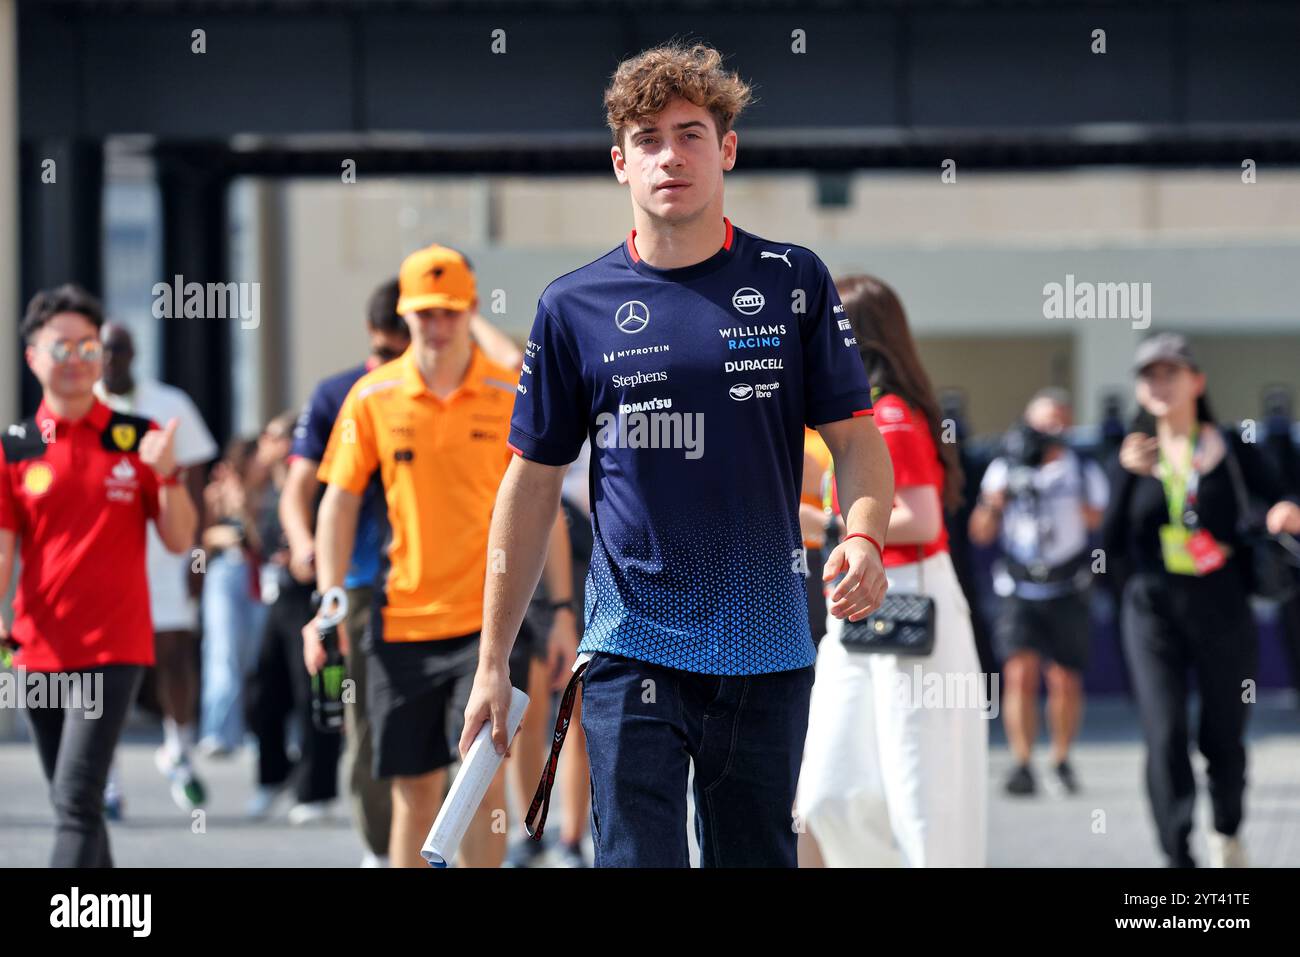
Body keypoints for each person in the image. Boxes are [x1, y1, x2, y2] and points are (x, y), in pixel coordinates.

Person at [460, 42, 893, 868]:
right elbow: (530, 484)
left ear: (726, 149)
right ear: (620, 162)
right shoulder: (571, 306)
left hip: (767, 646)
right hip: (631, 647)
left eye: (691, 133)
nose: (672, 155)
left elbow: (857, 443)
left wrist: (865, 534)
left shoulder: (793, 281)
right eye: (649, 138)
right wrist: (493, 663)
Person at [305, 243, 576, 868]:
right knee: (415, 790)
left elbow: (542, 508)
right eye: (426, 313)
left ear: (471, 310)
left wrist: (561, 608)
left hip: (493, 628)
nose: (438, 325)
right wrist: (328, 598)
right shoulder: (372, 398)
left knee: (478, 787)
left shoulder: (508, 392)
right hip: (402, 624)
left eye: (450, 311)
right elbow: (338, 502)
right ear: (406, 315)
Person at [0, 284, 197, 866]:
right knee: (77, 804)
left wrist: (167, 477)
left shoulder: (136, 435)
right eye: (62, 348)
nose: (78, 360)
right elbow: (4, 552)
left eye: (89, 347)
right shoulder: (15, 446)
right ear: (33, 356)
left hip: (114, 647)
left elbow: (180, 538)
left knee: (75, 798)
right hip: (36, 650)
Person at [796, 274, 987, 868]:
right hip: (860, 611)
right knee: (828, 794)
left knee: (921, 795)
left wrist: (827, 528)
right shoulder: (855, 417)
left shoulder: (890, 415)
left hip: (909, 605)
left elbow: (923, 519)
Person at [1103, 333, 1300, 868]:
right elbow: (1110, 546)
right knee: (1164, 732)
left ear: (1197, 381)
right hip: (1151, 605)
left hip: (1222, 599)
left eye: (1171, 372)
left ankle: (1227, 831)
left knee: (1224, 735)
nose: (1160, 384)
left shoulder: (1233, 448)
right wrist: (1126, 475)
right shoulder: (1129, 454)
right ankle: (1177, 854)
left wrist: (1283, 511)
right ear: (1141, 391)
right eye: (1150, 376)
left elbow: (1279, 497)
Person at [95, 321, 218, 813]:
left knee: (173, 654)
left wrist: (196, 555)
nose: (111, 359)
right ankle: (106, 777)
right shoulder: (82, 408)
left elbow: (196, 488)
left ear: (133, 352)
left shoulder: (170, 405)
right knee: (104, 667)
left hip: (164, 553)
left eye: (119, 350)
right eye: (103, 350)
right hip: (102, 561)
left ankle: (179, 751)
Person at [969, 389, 1107, 796]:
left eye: (1060, 423)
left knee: (1064, 678)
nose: (1052, 431)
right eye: (1044, 423)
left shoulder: (1082, 470)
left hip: (1067, 584)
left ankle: (1061, 757)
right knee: (1019, 675)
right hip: (1019, 585)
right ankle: (1022, 762)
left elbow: (1098, 518)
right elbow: (980, 533)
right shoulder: (1003, 469)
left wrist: (1062, 487)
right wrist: (998, 502)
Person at [244, 411, 343, 824]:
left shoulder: (319, 488)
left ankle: (316, 791)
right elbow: (261, 544)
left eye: (272, 436)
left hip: (314, 602)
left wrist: (305, 555)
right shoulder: (271, 491)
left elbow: (329, 545)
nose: (263, 443)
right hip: (279, 602)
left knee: (316, 695)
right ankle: (275, 775)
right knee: (260, 693)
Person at [196, 436, 267, 756]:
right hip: (225, 573)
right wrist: (226, 533)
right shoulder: (216, 490)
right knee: (222, 650)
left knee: (256, 654)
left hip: (259, 575)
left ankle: (256, 727)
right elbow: (201, 539)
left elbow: (260, 541)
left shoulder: (267, 494)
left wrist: (245, 511)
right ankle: (219, 731)